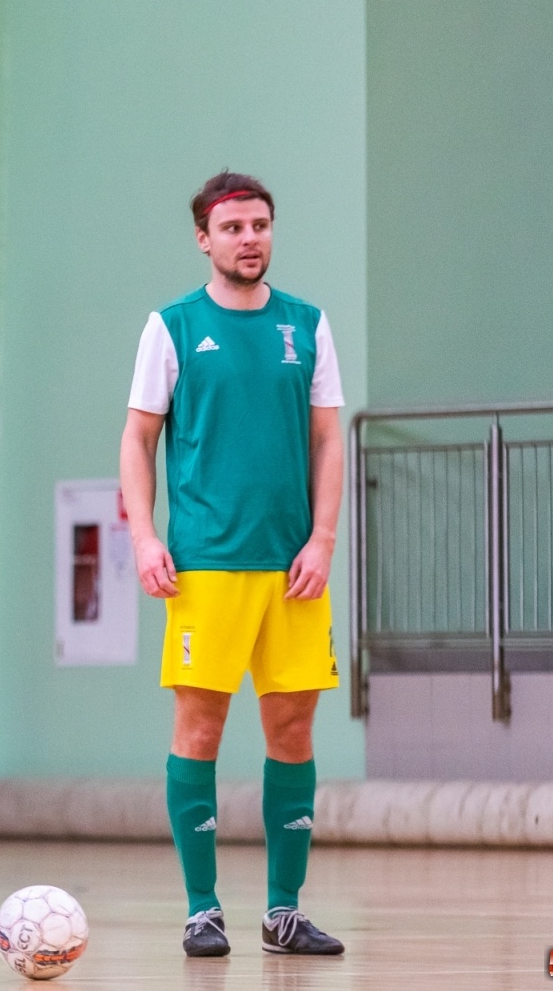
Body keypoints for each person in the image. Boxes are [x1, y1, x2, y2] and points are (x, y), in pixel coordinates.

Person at [119, 172, 346, 957]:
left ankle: (284, 912)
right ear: (204, 239)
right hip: (206, 563)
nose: (249, 238)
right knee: (200, 726)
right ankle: (202, 909)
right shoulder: (173, 326)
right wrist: (145, 538)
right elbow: (137, 439)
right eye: (233, 227)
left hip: (293, 566)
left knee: (292, 726)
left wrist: (322, 538)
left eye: (260, 225)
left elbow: (327, 439)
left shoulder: (307, 326)